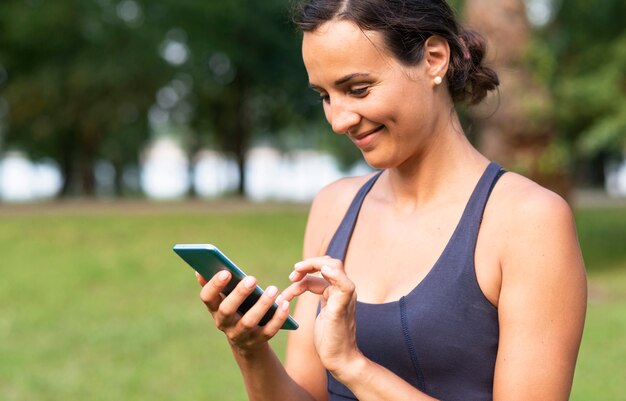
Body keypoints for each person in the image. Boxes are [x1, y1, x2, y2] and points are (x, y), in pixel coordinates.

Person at [196, 0, 587, 400]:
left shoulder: (528, 220)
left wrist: (353, 367)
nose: (338, 120)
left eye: (357, 89)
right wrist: (249, 348)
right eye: (325, 96)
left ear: (434, 59)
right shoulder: (335, 206)